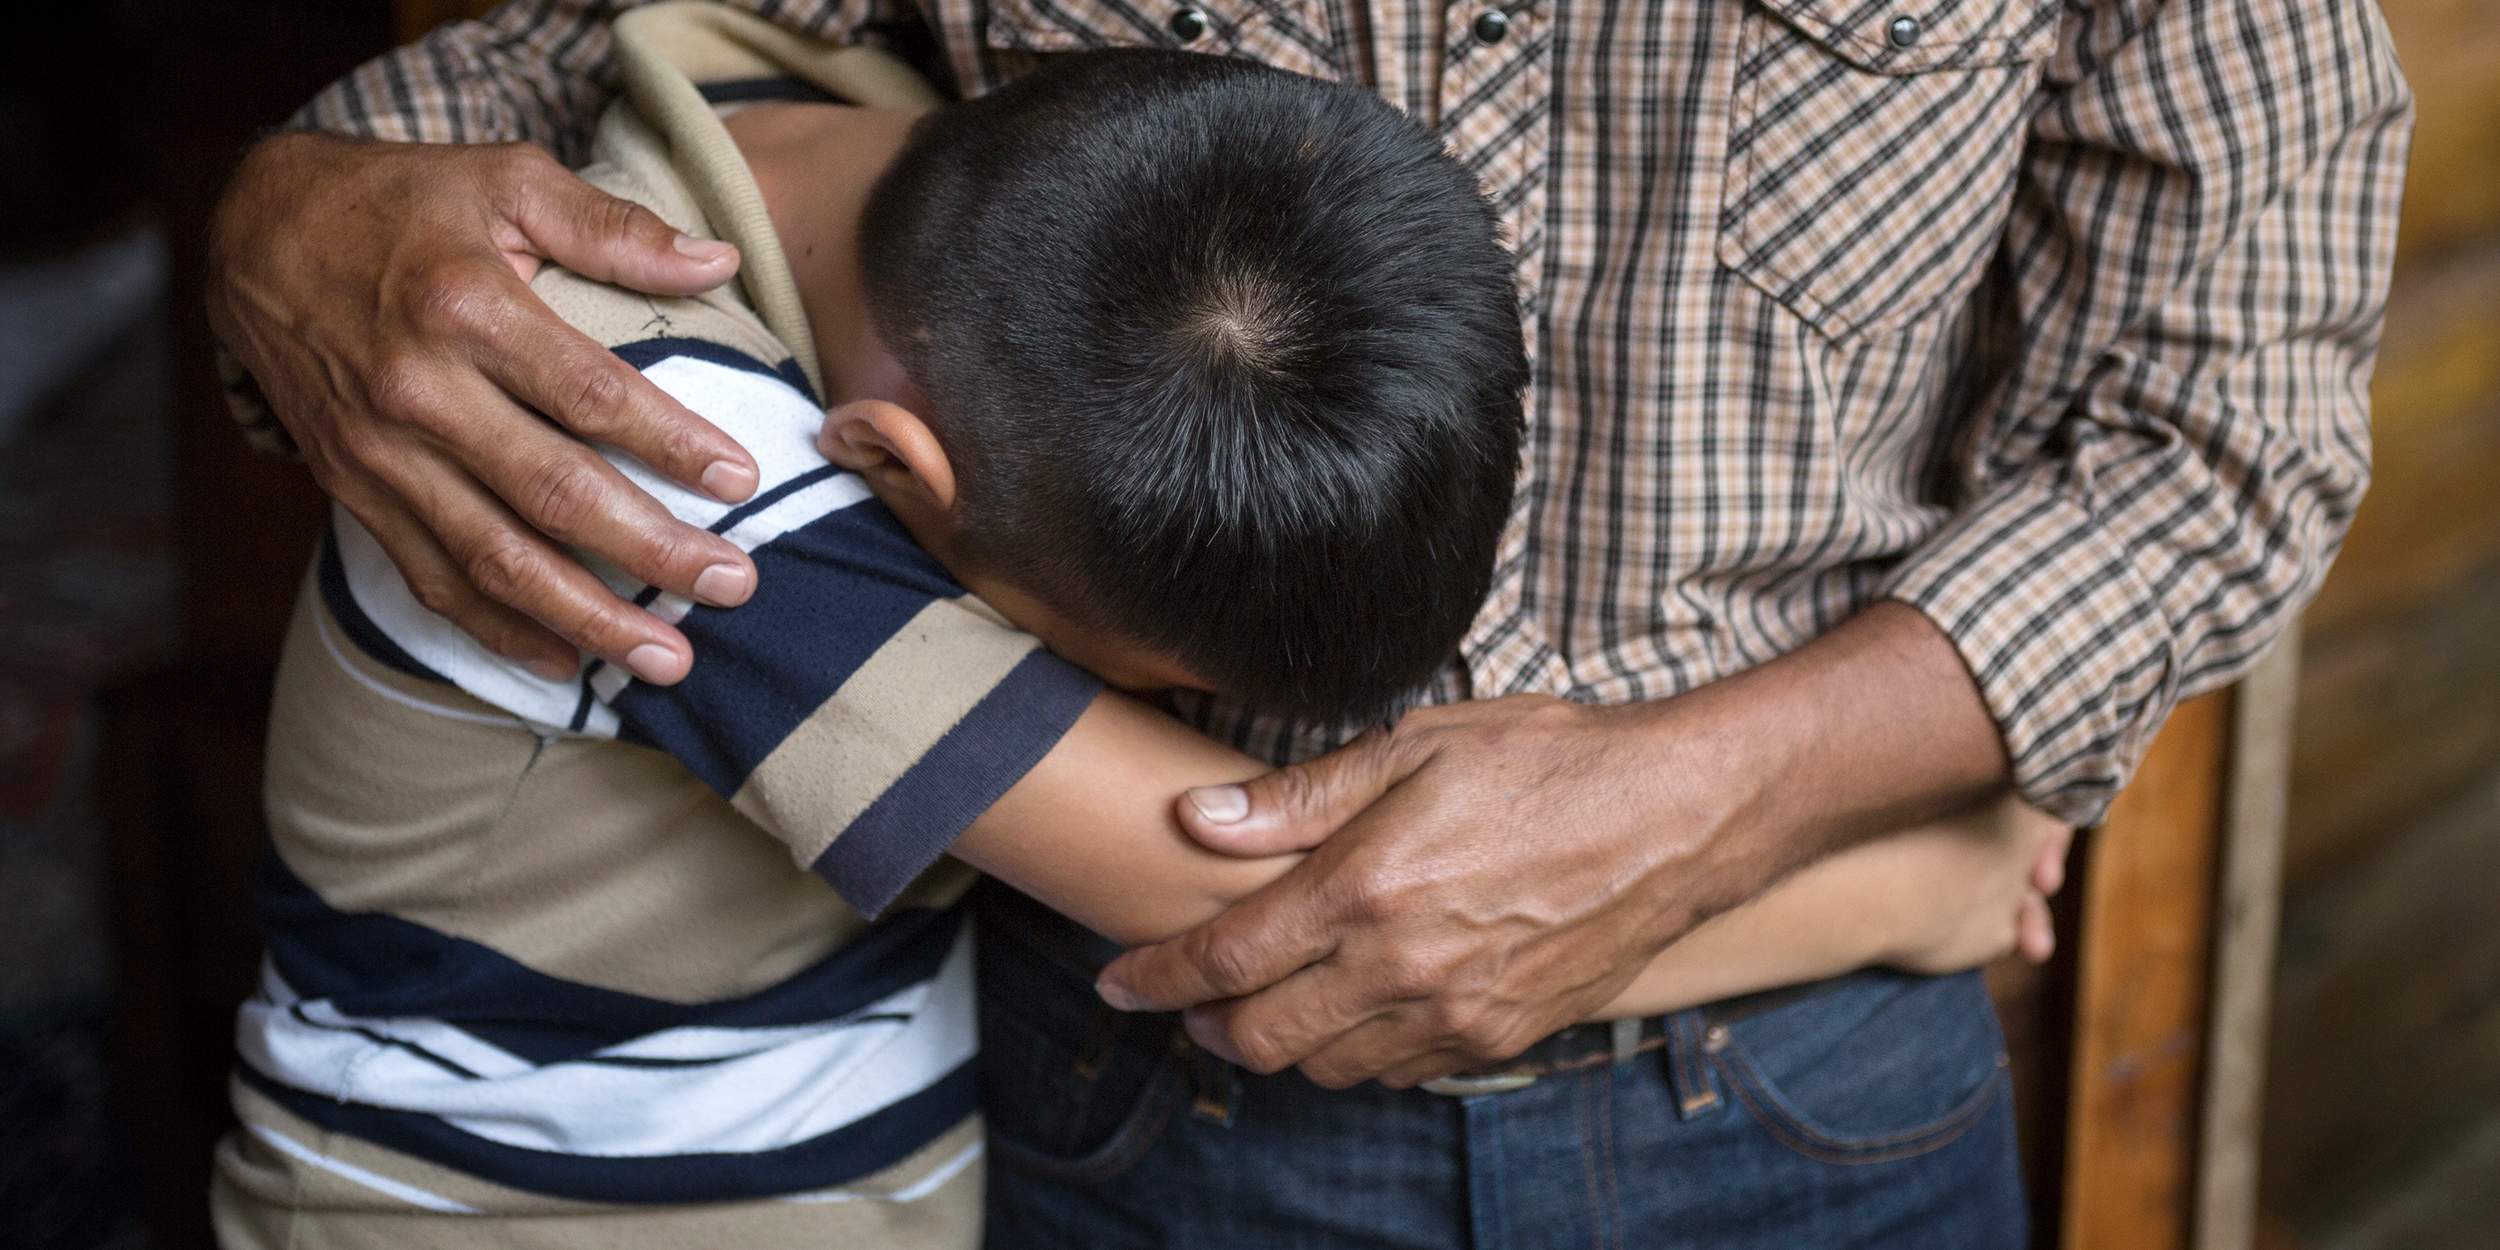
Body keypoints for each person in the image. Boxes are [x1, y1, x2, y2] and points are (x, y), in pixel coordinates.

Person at [206, 0, 2410, 1242]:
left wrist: (1745, 797)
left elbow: (2222, 437)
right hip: (1126, 1084)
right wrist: (287, 208)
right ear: (901, 485)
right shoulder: (691, 489)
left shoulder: (753, 466)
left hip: (1818, 1114)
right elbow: (606, 50)